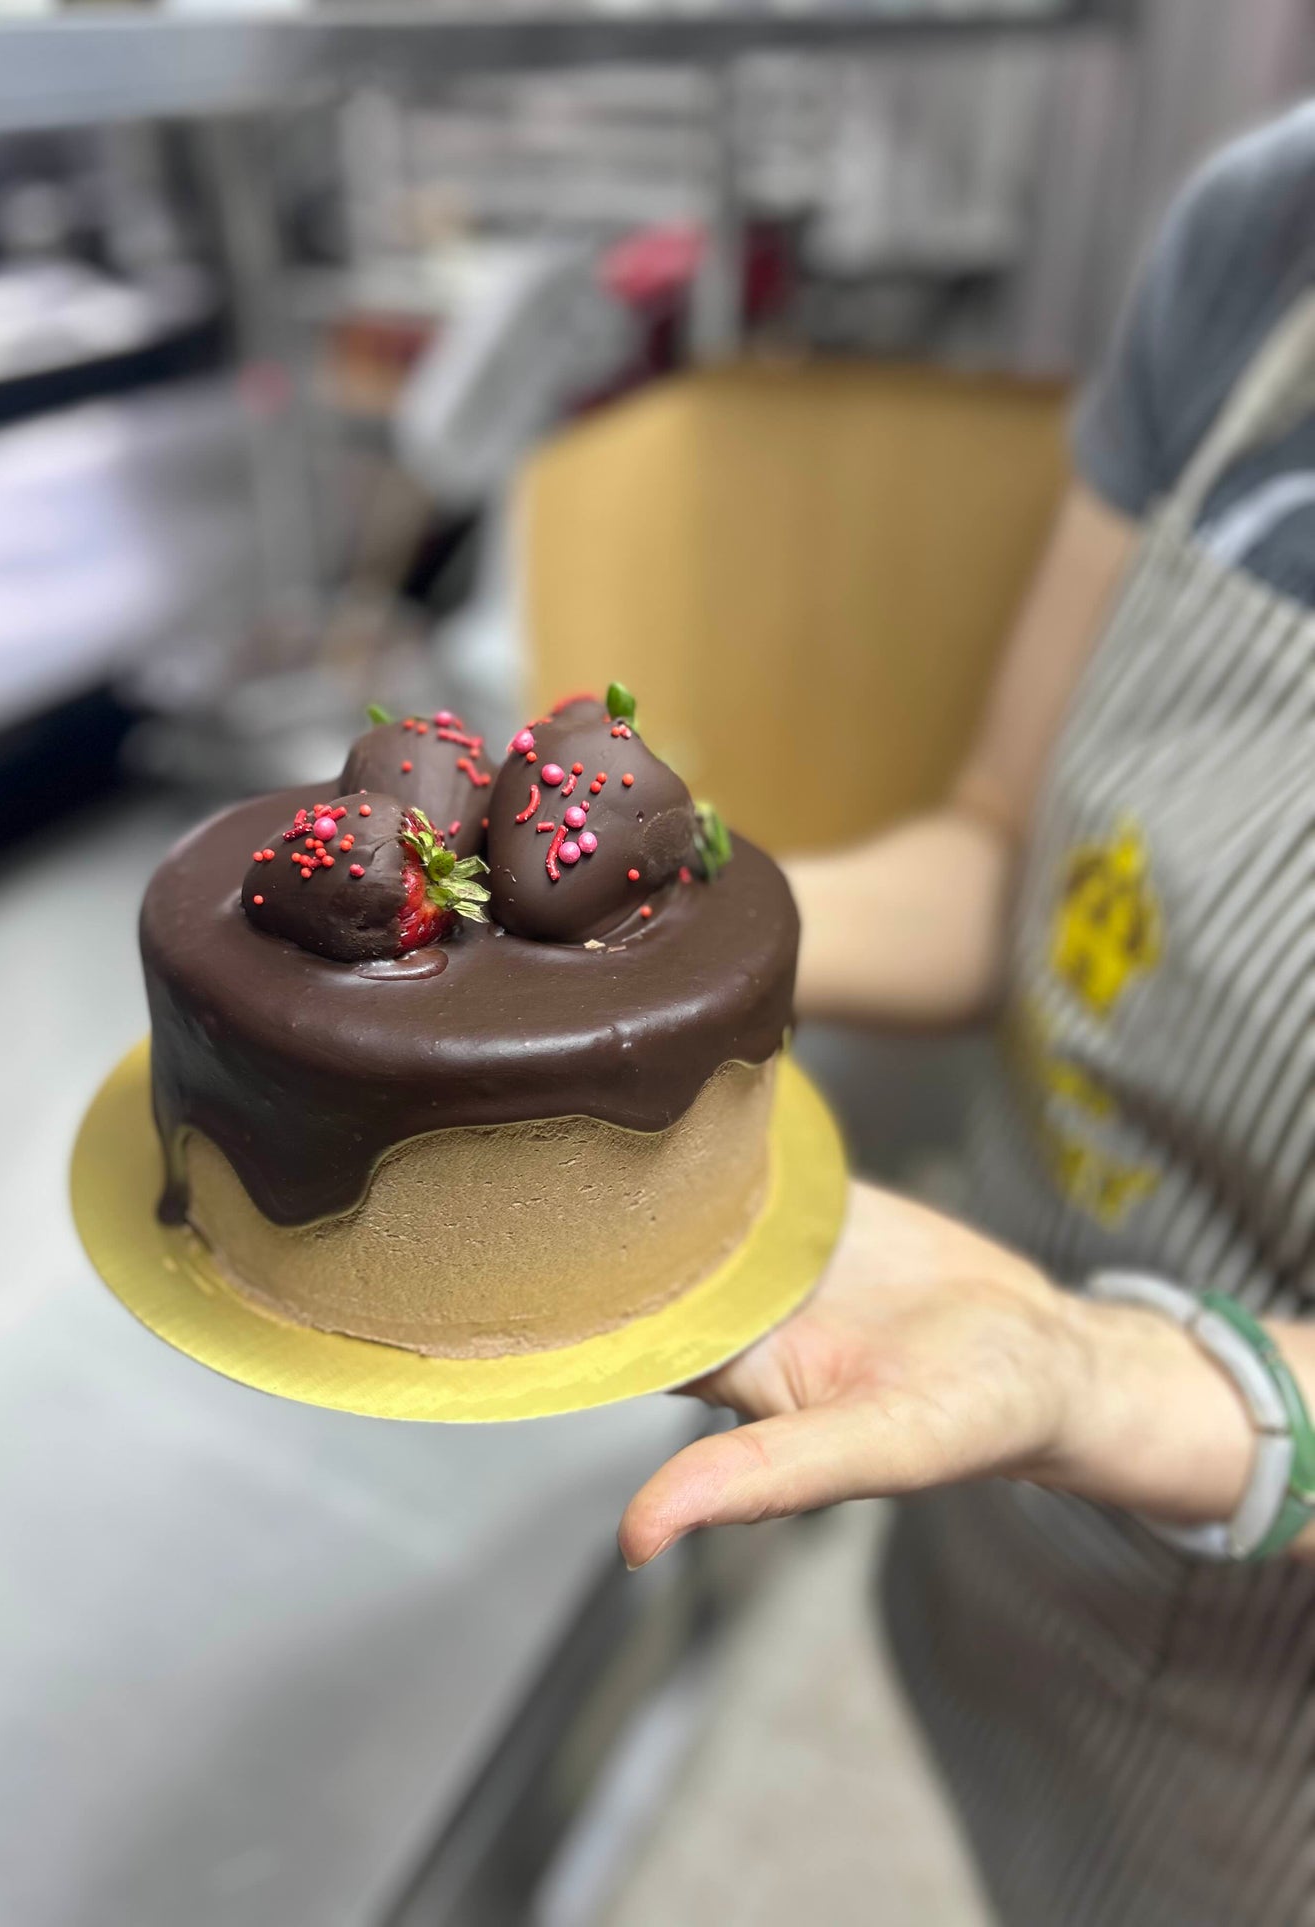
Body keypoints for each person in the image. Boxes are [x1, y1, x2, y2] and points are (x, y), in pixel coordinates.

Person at [621, 100, 1315, 1926]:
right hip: (997, 1501)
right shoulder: (1262, 246)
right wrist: (650, 936)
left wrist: (1109, 1380)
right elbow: (1000, 855)